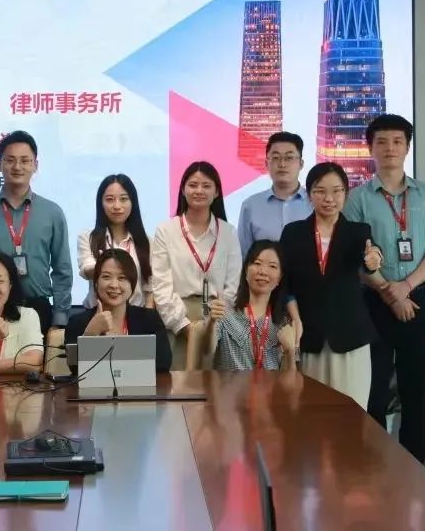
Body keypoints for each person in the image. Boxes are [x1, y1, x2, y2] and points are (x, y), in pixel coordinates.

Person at [344, 114, 425, 463]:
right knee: (373, 390)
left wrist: (406, 286)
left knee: (414, 388)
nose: (390, 148)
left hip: (416, 298)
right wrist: (390, 293)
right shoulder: (356, 199)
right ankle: (373, 467)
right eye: (381, 142)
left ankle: (414, 467)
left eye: (397, 141)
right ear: (370, 148)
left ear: (407, 147)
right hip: (373, 301)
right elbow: (353, 259)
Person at [280, 163, 384, 410]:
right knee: (310, 412)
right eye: (320, 191)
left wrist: (373, 260)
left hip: (350, 337)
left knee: (351, 414)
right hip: (308, 336)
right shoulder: (293, 233)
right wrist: (295, 319)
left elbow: (371, 257)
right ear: (309, 194)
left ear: (346, 194)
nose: (329, 199)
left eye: (337, 191)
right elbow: (285, 282)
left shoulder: (359, 232)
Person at [0, 131, 72, 334]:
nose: (17, 167)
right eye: (10, 160)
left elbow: (62, 270)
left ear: (35, 165)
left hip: (38, 308)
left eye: (25, 161)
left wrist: (60, 318)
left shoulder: (52, 212)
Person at [150, 161, 242, 337]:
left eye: (206, 186)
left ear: (216, 192)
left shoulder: (228, 232)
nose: (199, 191)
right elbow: (161, 284)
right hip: (178, 317)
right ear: (183, 190)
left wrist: (217, 321)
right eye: (193, 185)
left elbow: (233, 285)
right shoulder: (166, 230)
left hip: (218, 318)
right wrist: (182, 325)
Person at [65, 249, 172, 372]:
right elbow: (75, 370)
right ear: (96, 283)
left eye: (122, 278)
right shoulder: (77, 322)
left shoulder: (149, 319)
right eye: (106, 277)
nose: (114, 285)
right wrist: (90, 335)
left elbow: (163, 364)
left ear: (132, 285)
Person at [205, 240, 297, 371]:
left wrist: (290, 352)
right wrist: (211, 322)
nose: (263, 271)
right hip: (230, 384)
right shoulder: (224, 310)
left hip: (269, 385)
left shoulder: (285, 322)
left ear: (280, 277)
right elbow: (207, 351)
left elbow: (291, 381)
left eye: (272, 266)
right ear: (246, 270)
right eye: (257, 263)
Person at [77, 173, 152, 309]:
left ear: (133, 203)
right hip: (98, 313)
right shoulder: (88, 237)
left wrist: (149, 316)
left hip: (136, 314)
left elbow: (150, 287)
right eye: (110, 199)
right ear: (101, 203)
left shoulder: (146, 242)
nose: (117, 206)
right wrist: (102, 265)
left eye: (123, 199)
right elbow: (86, 269)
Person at [237, 132, 312, 251]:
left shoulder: (314, 204)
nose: (282, 164)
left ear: (301, 164)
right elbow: (244, 255)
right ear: (266, 163)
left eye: (289, 158)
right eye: (276, 158)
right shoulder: (250, 206)